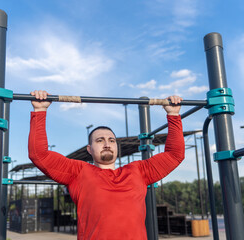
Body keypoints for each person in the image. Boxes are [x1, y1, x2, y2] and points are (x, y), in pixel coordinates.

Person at [28, 90, 185, 240]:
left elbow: (175, 155)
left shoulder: (138, 171)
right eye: (99, 140)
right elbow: (39, 154)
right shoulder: (79, 172)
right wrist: (40, 111)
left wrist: (173, 115)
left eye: (111, 140)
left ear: (117, 146)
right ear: (89, 149)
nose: (107, 144)